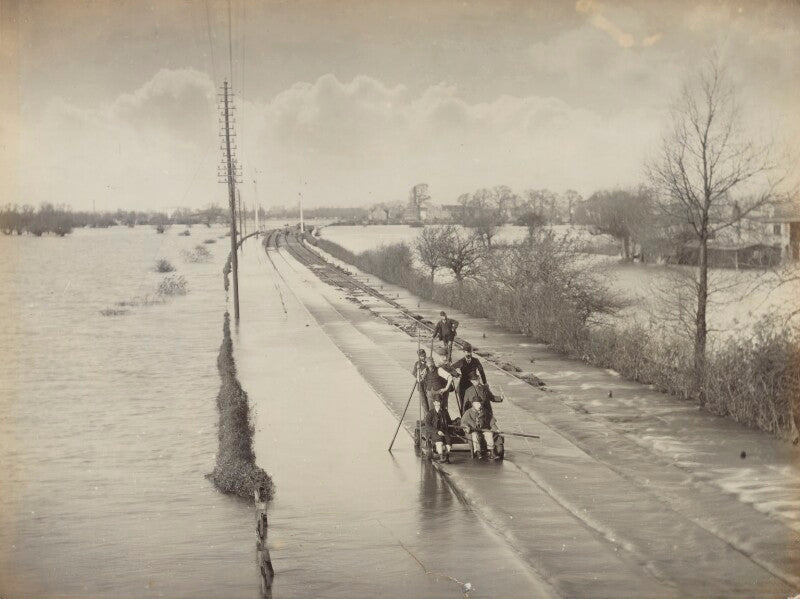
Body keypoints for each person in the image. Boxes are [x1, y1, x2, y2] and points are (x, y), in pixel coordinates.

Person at [451, 343, 486, 412]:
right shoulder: (461, 361)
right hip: (463, 387)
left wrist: (485, 383)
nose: (468, 354)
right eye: (467, 352)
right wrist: (457, 375)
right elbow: (451, 368)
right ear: (464, 352)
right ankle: (463, 420)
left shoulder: (476, 361)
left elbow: (482, 372)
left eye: (470, 352)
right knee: (463, 405)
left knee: (474, 404)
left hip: (473, 385)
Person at [423, 397, 452, 462]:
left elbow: (449, 421)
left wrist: (449, 430)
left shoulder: (445, 412)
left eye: (439, 402)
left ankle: (447, 458)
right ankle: (441, 457)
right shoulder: (430, 413)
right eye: (436, 402)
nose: (438, 403)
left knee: (449, 442)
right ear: (434, 403)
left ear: (441, 403)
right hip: (434, 432)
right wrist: (437, 431)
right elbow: (427, 425)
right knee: (439, 442)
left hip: (444, 431)